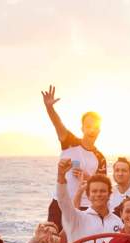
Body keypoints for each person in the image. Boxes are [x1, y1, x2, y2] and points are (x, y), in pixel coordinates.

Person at [42, 85, 106, 232]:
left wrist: (89, 178)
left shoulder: (100, 158)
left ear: (99, 130)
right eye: (88, 126)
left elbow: (103, 187)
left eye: (95, 127)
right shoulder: (69, 141)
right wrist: (50, 108)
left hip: (85, 207)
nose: (91, 130)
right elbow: (57, 123)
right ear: (82, 128)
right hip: (60, 203)